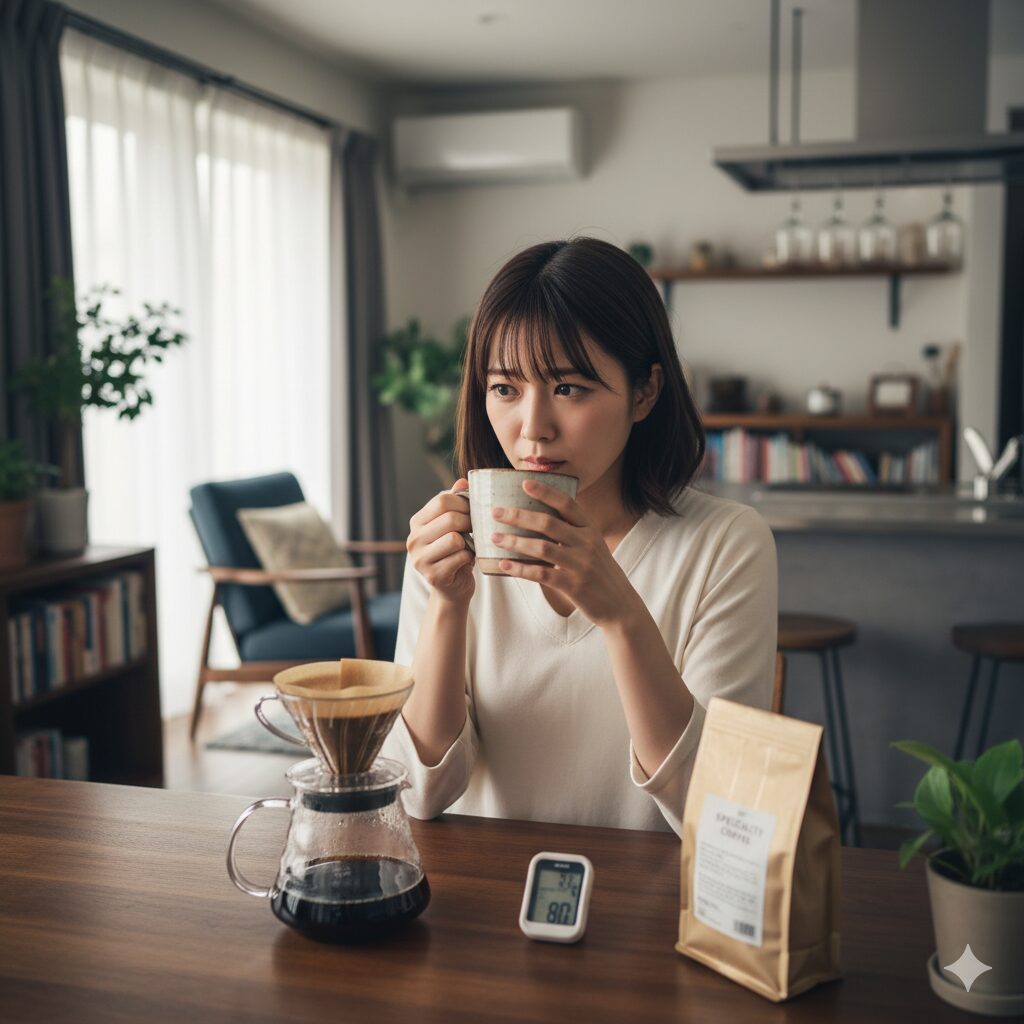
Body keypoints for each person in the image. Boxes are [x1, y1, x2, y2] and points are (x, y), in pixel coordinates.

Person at [381, 237, 777, 835]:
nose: (532, 428)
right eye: (505, 388)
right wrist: (447, 603)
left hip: (649, 913)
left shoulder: (726, 545)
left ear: (644, 393)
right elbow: (420, 794)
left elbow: (723, 815)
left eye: (569, 388)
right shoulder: (450, 540)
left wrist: (621, 616)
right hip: (481, 909)